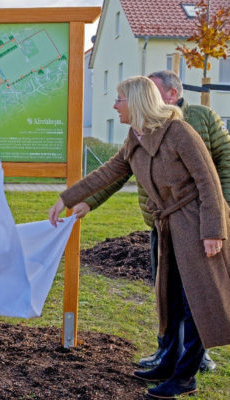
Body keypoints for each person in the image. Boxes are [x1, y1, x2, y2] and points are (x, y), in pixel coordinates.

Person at [49, 76, 230, 399]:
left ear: (135, 102)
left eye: (119, 99)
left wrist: (213, 231)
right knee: (171, 298)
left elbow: (209, 181)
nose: (115, 105)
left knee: (195, 303)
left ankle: (186, 376)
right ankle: (168, 362)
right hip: (167, 228)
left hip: (195, 226)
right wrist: (66, 198)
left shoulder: (180, 133)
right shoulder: (136, 137)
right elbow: (109, 172)